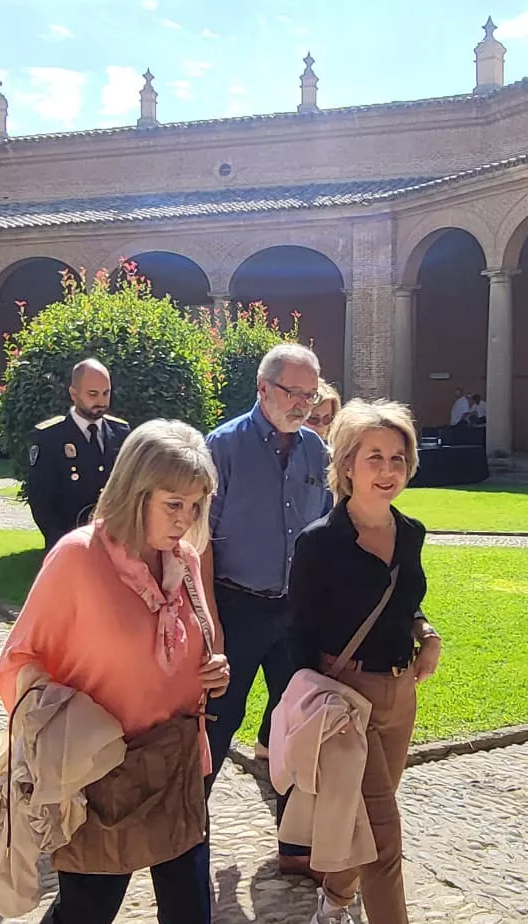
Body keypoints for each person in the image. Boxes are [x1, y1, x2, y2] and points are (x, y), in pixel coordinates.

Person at [0, 419, 232, 924]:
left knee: (192, 910)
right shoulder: (77, 558)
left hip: (175, 761)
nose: (186, 521)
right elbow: (18, 662)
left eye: (196, 506)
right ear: (134, 491)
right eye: (174, 504)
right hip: (102, 773)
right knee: (86, 913)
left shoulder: (184, 558)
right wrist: (67, 729)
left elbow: (195, 641)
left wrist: (212, 670)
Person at [284, 400, 441, 924]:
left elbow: (405, 601)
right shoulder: (319, 543)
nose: (388, 470)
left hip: (400, 696)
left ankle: (335, 895)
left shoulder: (411, 531)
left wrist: (427, 631)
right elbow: (297, 633)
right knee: (383, 837)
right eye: (374, 457)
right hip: (345, 700)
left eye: (398, 458)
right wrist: (315, 709)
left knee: (366, 819)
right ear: (347, 463)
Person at [203, 342, 334, 877]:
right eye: (292, 392)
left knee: (297, 728)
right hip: (235, 607)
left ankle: (295, 842)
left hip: (295, 614)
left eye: (311, 393)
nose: (303, 403)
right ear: (263, 388)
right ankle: (186, 833)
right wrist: (209, 623)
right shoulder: (222, 446)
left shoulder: (315, 453)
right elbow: (200, 542)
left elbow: (327, 532)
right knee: (215, 724)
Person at [28, 358, 130, 547]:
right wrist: (66, 545)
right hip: (69, 544)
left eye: (106, 393)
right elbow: (41, 502)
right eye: (92, 394)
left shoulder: (120, 433)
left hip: (115, 544)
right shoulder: (50, 437)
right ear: (74, 394)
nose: (100, 401)